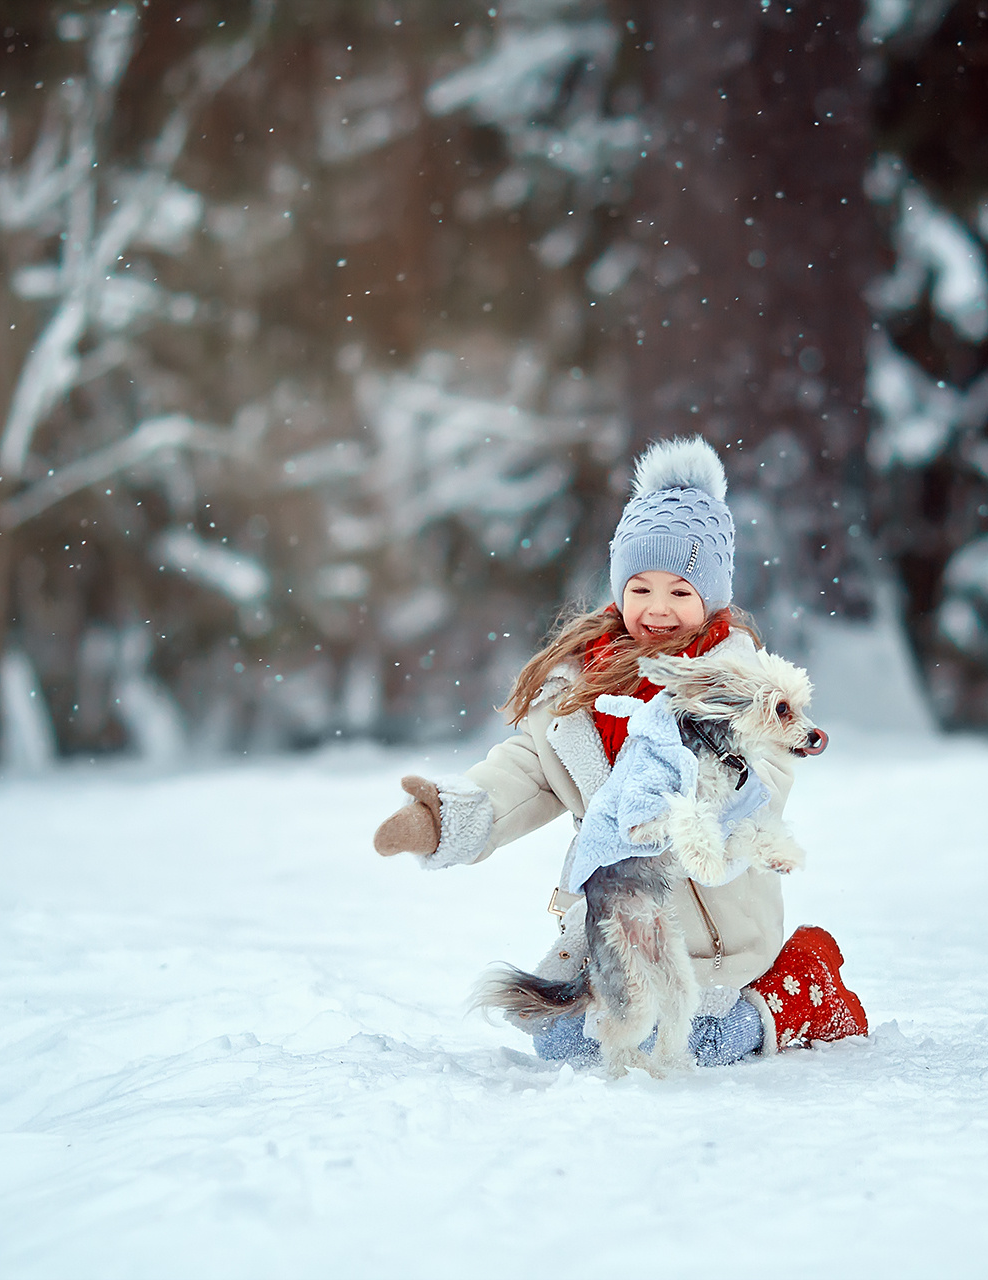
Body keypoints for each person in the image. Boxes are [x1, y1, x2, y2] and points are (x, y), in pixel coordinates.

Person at [372, 436, 868, 1066]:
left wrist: (700, 795)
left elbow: (764, 777)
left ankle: (794, 994)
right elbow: (529, 771)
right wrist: (446, 818)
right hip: (619, 921)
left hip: (715, 935)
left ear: (711, 596)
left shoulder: (741, 685)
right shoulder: (582, 686)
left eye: (681, 592)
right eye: (640, 588)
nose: (658, 610)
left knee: (692, 1040)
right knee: (560, 1039)